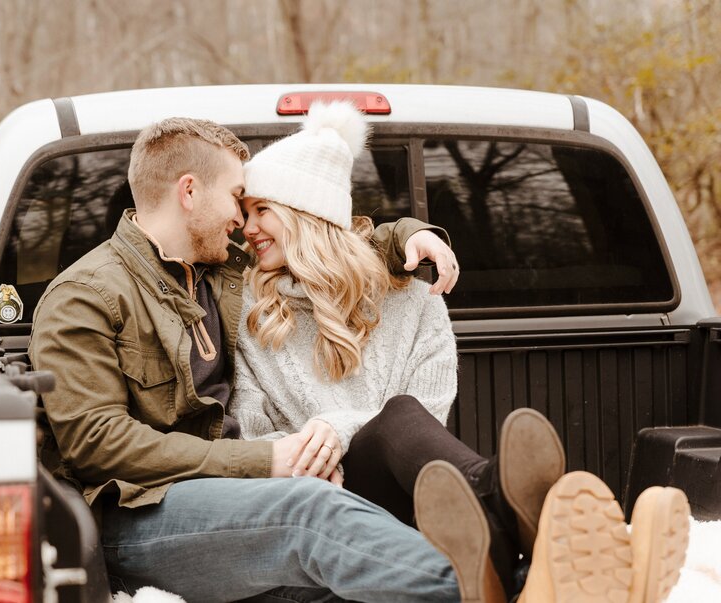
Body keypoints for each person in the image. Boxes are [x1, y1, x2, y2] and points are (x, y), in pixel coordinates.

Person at [229, 101, 691, 603]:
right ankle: (513, 504)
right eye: (244, 212)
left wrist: (341, 424)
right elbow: (252, 435)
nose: (245, 228)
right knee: (399, 419)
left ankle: (527, 564)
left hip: (420, 494)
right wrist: (327, 446)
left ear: (307, 214)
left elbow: (424, 418)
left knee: (406, 418)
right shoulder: (249, 312)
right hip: (320, 496)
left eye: (261, 211)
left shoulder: (411, 300)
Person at [29, 113, 497, 603]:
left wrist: (407, 235)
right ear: (189, 192)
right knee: (309, 509)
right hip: (140, 513)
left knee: (357, 491)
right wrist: (265, 460)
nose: (242, 222)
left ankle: (508, 529)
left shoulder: (219, 271)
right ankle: (492, 591)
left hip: (235, 498)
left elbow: (318, 237)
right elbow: (96, 441)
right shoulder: (87, 295)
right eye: (236, 197)